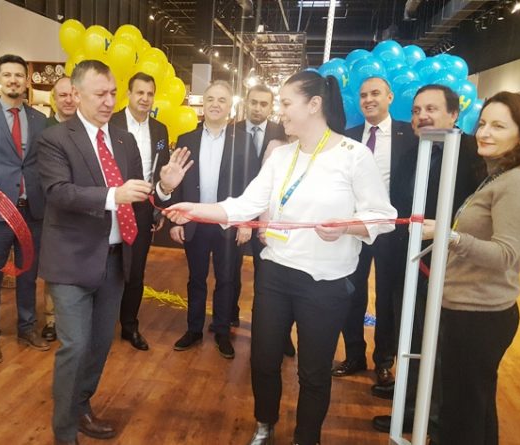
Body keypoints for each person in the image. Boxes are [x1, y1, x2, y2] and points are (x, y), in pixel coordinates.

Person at [165, 70, 396, 445]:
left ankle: (307, 437)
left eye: (286, 103)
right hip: (274, 274)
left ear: (314, 105)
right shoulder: (280, 157)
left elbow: (384, 217)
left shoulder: (354, 156)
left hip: (325, 283)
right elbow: (243, 205)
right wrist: (194, 209)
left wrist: (347, 227)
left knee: (313, 372)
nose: (280, 111)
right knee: (263, 360)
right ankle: (265, 424)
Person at [36, 60, 191, 445]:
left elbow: (138, 196)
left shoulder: (123, 141)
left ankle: (82, 405)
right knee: (75, 345)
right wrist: (112, 195)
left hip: (115, 260)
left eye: (112, 93)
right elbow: (58, 192)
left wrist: (164, 189)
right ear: (76, 94)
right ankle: (64, 432)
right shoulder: (55, 139)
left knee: (100, 343)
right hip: (72, 260)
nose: (108, 101)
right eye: (99, 94)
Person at [433, 92, 520, 445]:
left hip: (479, 314)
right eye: (483, 123)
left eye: (499, 126)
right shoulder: (500, 176)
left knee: (461, 414)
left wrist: (449, 237)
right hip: (473, 309)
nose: (484, 132)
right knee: (476, 408)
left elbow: (505, 254)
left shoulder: (517, 182)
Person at [371, 84, 484, 436]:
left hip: (452, 269)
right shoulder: (412, 154)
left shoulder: (473, 156)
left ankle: (431, 420)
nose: (422, 117)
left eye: (431, 109)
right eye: (417, 111)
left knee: (440, 348)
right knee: (412, 338)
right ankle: (408, 405)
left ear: (454, 114)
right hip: (409, 265)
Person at [332, 77, 419, 392]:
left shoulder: (409, 135)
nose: (369, 99)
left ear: (390, 97)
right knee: (351, 293)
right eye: (363, 95)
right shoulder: (348, 137)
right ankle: (354, 355)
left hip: (391, 230)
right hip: (354, 228)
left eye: (375, 93)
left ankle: (384, 361)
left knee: (387, 298)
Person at [168, 80, 259, 360]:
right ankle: (194, 329)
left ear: (230, 106)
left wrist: (246, 221)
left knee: (226, 279)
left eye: (222, 100)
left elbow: (251, 184)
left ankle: (222, 331)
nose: (215, 105)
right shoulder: (186, 139)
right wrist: (176, 220)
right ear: (203, 104)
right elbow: (175, 181)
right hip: (194, 222)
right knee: (196, 278)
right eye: (210, 99)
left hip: (227, 222)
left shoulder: (243, 140)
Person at [0, 54, 49, 364]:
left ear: (27, 80)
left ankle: (27, 327)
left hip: (31, 210)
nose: (13, 80)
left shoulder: (40, 119)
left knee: (28, 275)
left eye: (19, 75)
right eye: (7, 75)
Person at [109, 72, 170, 351]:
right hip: (112, 203)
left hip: (143, 207)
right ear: (129, 94)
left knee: (136, 270)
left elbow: (162, 169)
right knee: (106, 267)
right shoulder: (111, 123)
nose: (145, 98)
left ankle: (129, 325)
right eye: (140, 93)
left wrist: (159, 209)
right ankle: (102, 323)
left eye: (149, 94)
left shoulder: (160, 130)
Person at [232, 84, 286, 328]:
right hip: (238, 211)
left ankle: (262, 325)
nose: (257, 108)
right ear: (246, 102)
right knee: (230, 270)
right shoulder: (232, 131)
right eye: (253, 102)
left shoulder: (282, 133)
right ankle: (229, 317)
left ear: (271, 107)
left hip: (268, 216)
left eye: (264, 104)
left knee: (265, 274)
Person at [41, 75, 78, 343]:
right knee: (54, 267)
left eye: (73, 94)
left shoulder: (87, 128)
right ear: (54, 99)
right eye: (62, 95)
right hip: (50, 208)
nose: (68, 100)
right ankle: (51, 320)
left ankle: (74, 319)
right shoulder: (43, 129)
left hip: (81, 208)